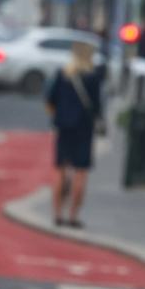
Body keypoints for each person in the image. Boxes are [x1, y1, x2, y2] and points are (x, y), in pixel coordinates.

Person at [45, 42, 102, 228]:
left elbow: (50, 99)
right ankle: (73, 216)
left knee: (60, 170)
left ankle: (57, 214)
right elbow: (97, 107)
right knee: (80, 172)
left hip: (64, 127)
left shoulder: (63, 74)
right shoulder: (93, 78)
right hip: (84, 128)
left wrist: (58, 117)